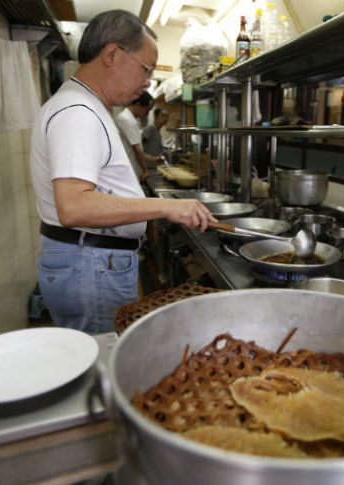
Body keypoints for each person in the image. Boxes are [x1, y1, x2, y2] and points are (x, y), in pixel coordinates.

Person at [29, 10, 217, 335]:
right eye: (146, 68)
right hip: (91, 265)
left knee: (99, 354)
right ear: (112, 54)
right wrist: (166, 207)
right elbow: (74, 206)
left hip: (90, 262)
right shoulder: (78, 112)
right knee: (103, 357)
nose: (147, 82)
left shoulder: (84, 105)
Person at [114, 91, 165, 180]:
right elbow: (137, 149)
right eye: (147, 110)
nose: (147, 114)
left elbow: (138, 150)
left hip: (131, 171)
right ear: (138, 104)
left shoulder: (131, 119)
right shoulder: (126, 119)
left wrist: (154, 159)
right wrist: (145, 170)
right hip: (127, 171)